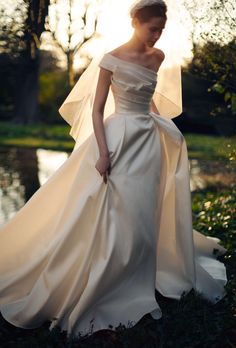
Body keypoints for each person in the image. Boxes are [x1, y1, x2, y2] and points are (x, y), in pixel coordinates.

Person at [0, 0, 228, 339]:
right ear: (136, 22)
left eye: (162, 30)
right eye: (153, 28)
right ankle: (110, 280)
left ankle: (139, 272)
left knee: (142, 210)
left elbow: (149, 99)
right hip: (118, 139)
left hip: (147, 142)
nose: (157, 35)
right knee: (114, 211)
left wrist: (164, 126)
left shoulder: (159, 57)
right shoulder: (110, 59)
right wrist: (103, 153)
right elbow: (96, 110)